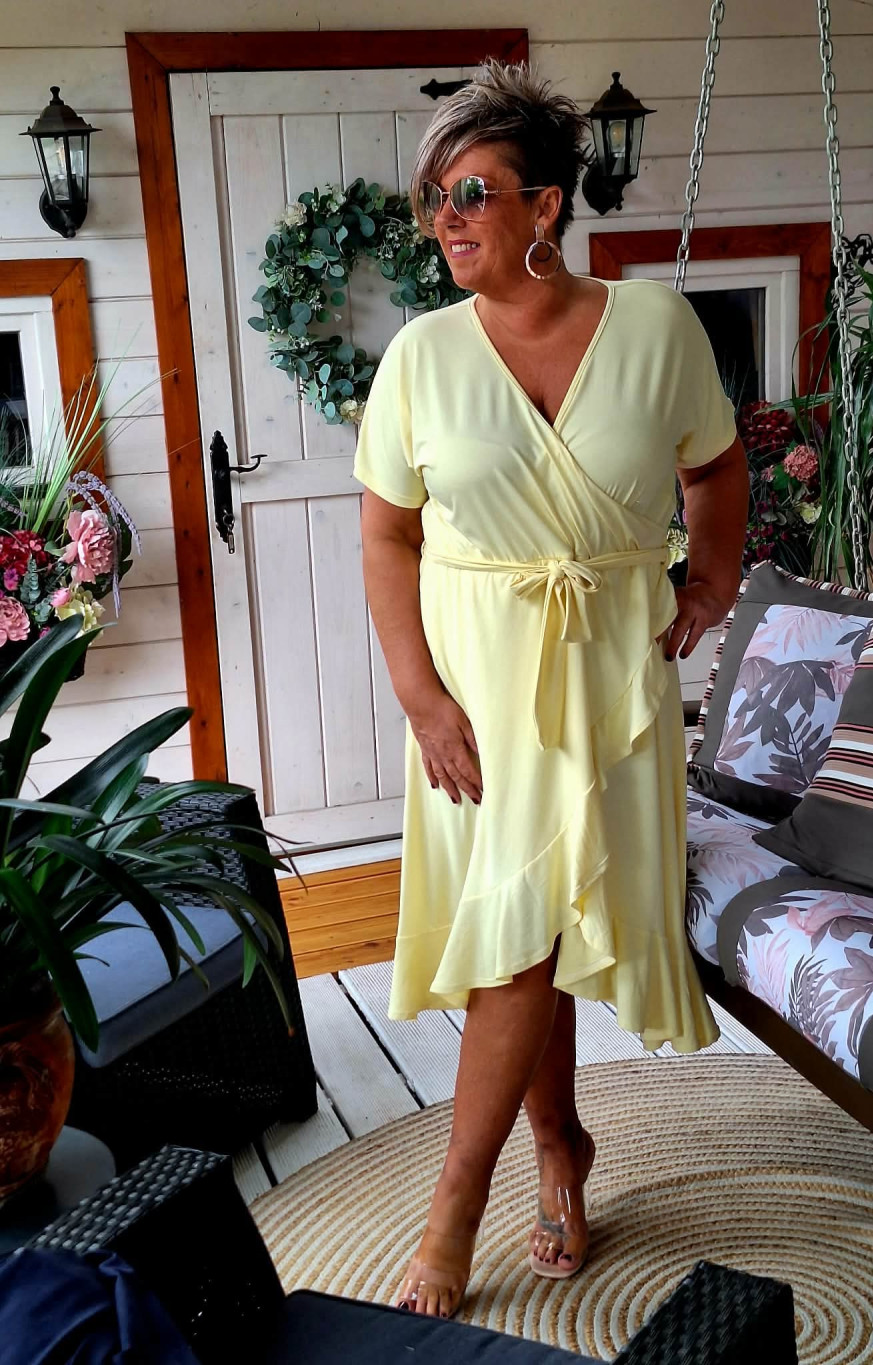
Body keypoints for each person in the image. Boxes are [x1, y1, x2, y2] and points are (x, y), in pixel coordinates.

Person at [353, 60, 749, 1320]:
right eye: (433, 198)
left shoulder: (656, 328)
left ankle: (516, 1170)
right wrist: (420, 698)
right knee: (518, 930)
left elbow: (715, 469)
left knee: (541, 923)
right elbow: (386, 536)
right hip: (476, 686)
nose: (446, 218)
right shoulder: (420, 357)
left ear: (544, 206)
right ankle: (515, 1168)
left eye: (471, 192)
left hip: (610, 674)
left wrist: (711, 579)